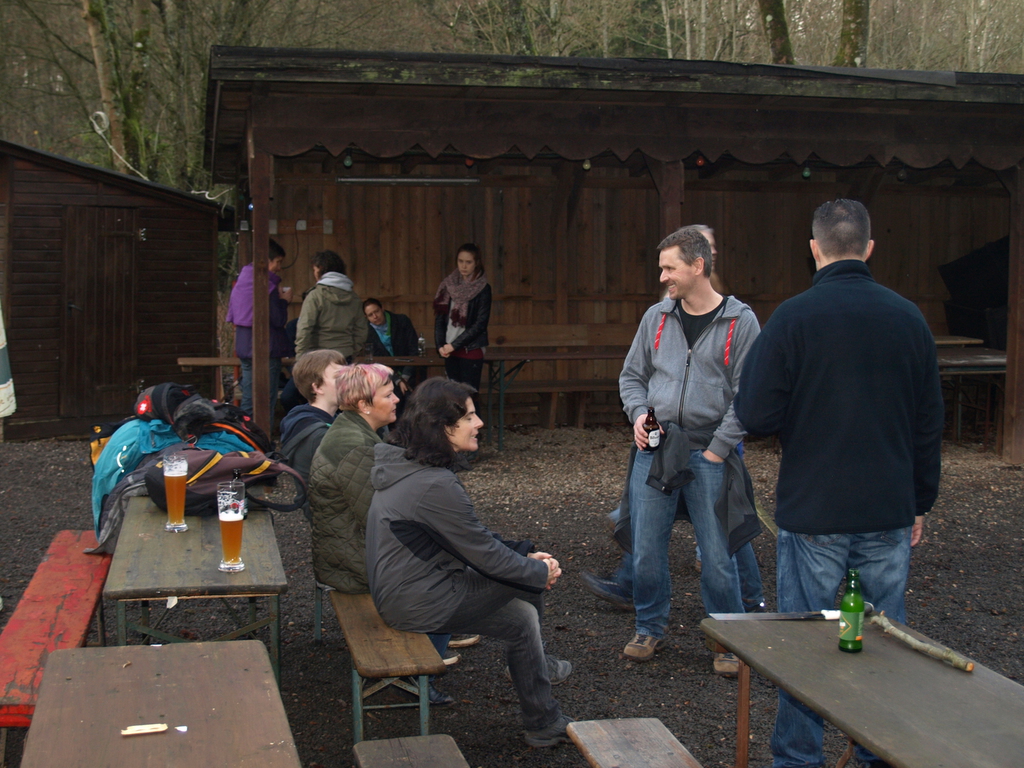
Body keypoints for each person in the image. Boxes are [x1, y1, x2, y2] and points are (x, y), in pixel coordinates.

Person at [734, 199, 943, 768]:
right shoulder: (909, 318)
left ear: (814, 249)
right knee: (883, 646)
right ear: (869, 248)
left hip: (815, 509)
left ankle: (799, 759)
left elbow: (755, 414)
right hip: (887, 506)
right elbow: (929, 422)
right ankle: (879, 753)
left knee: (805, 648)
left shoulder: (793, 318)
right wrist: (920, 500)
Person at [580, 226, 764, 672]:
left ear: (698, 266)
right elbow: (632, 377)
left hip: (710, 452)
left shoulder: (741, 322)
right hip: (656, 449)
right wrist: (639, 415)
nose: (662, 277)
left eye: (669, 268)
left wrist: (719, 449)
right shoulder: (656, 318)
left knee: (717, 556)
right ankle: (648, 627)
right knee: (645, 550)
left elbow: (749, 394)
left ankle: (726, 640)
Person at [365, 378, 574, 747]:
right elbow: (485, 555)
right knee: (526, 582)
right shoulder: (433, 484)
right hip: (418, 600)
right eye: (470, 416)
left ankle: (542, 717)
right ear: (444, 427)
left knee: (522, 618)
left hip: (409, 591)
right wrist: (540, 570)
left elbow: (467, 537)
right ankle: (539, 679)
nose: (479, 423)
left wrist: (524, 554)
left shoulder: (410, 466)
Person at [307, 363, 456, 706]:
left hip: (348, 551)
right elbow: (383, 519)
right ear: (363, 404)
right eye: (388, 395)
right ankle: (418, 673)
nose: (397, 400)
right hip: (354, 566)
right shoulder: (354, 447)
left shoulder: (353, 431)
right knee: (447, 575)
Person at [225, 239, 294, 424]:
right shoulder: (266, 286)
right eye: (278, 262)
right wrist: (284, 301)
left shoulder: (243, 281)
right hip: (266, 348)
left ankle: (245, 433)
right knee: (266, 399)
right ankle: (264, 436)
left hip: (244, 345)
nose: (279, 267)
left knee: (249, 396)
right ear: (267, 260)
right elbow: (277, 319)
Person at [279, 349, 346, 519]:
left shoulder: (314, 418)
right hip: (330, 518)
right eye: (338, 377)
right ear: (317, 387)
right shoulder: (317, 434)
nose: (347, 381)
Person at [433, 243, 491, 392]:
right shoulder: (447, 285)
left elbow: (480, 323)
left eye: (468, 262)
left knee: (468, 396)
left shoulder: (483, 288)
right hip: (449, 349)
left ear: (476, 263)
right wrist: (440, 345)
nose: (464, 266)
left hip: (470, 348)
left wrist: (455, 345)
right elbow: (440, 318)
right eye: (460, 261)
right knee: (452, 396)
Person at [295, 250, 366, 359]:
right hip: (345, 354)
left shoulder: (315, 296)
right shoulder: (354, 298)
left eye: (314, 270)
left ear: (320, 268)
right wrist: (353, 350)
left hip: (319, 355)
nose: (314, 274)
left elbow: (304, 328)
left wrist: (300, 356)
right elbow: (361, 330)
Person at [364, 298, 421, 395]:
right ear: (366, 317)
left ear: (382, 309)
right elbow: (377, 359)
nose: (375, 316)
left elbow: (413, 348)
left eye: (376, 311)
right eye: (370, 315)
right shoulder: (367, 332)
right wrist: (397, 379)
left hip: (410, 370)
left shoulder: (401, 321)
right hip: (386, 375)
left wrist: (405, 376)